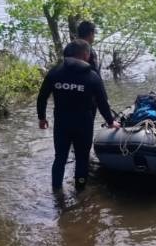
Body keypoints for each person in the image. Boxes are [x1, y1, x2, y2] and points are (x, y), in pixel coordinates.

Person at [38, 39, 119, 191]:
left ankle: (56, 191)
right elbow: (102, 103)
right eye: (88, 54)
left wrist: (42, 117)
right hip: (84, 124)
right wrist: (110, 122)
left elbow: (42, 97)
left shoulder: (55, 72)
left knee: (60, 158)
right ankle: (80, 191)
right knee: (82, 159)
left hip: (62, 123)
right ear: (84, 55)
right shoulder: (92, 76)